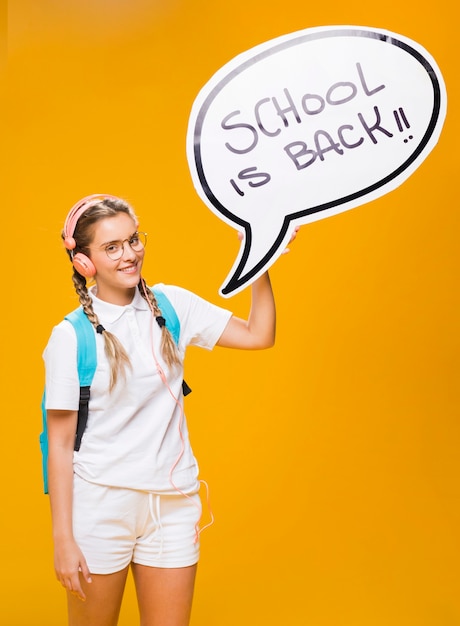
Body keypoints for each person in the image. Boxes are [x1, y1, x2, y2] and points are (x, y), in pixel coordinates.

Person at [43, 193, 298, 626]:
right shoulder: (70, 338)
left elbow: (260, 334)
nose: (130, 254)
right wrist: (63, 538)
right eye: (112, 247)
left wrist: (261, 259)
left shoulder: (173, 305)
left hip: (173, 505)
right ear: (84, 263)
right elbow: (60, 443)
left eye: (133, 240)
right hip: (102, 506)